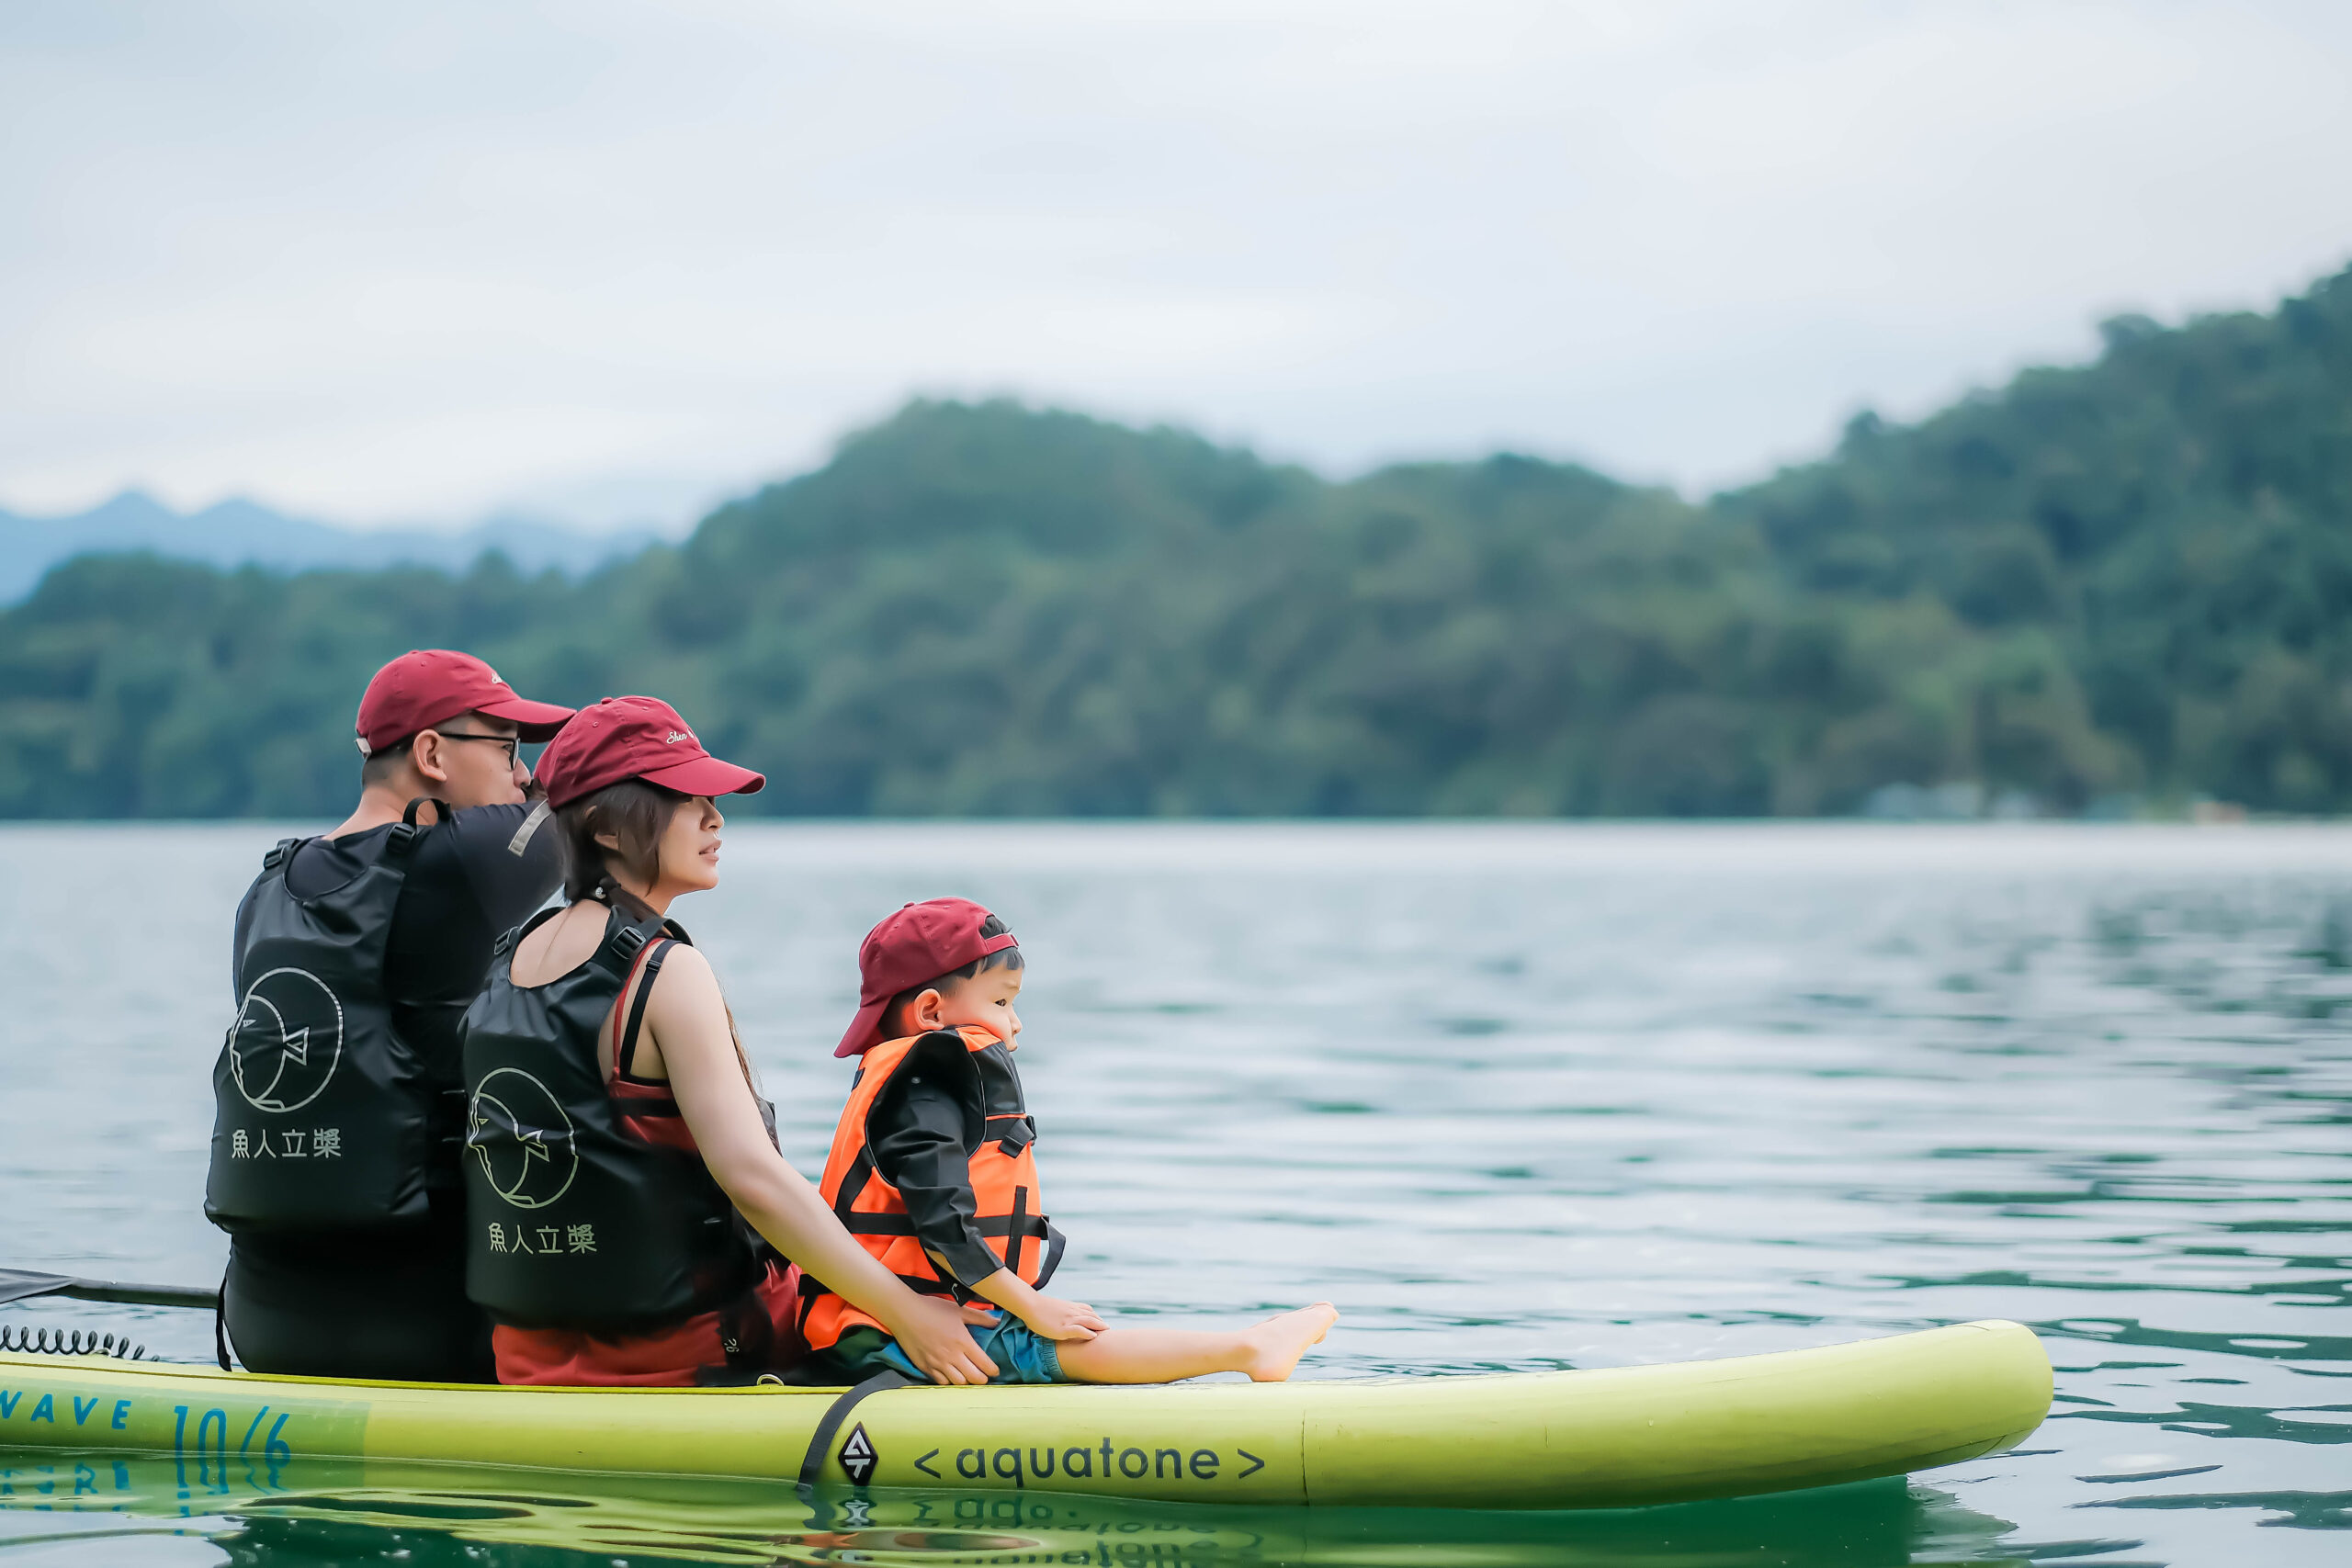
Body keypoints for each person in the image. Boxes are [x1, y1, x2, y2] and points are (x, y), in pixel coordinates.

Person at [461, 695, 1000, 1386]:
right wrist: (907, 1313)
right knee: (944, 1290)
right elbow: (753, 1179)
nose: (715, 817)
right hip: (697, 1355)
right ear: (606, 828)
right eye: (685, 798)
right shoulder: (664, 970)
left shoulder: (508, 957)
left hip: (531, 1357)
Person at [207, 649, 577, 1382]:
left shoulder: (267, 888)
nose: (522, 773)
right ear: (432, 752)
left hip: (261, 1319)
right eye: (506, 747)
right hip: (429, 1323)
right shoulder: (464, 859)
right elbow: (587, 804)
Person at [800, 897, 1338, 1385]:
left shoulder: (925, 1082)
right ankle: (1248, 1350)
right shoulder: (924, 1092)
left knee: (1050, 1327)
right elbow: (942, 1224)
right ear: (932, 1012)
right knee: (1050, 1343)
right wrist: (1032, 1309)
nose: (1015, 1023)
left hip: (912, 1307)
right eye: (1002, 1002)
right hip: (871, 1333)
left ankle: (1237, 1346)